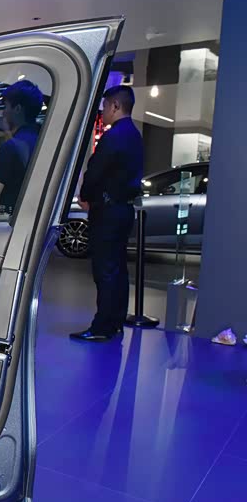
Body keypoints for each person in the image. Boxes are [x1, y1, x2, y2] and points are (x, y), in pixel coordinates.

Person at [71, 85, 143, 342]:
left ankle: (101, 327)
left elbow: (95, 172)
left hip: (107, 211)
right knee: (118, 268)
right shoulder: (134, 135)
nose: (102, 112)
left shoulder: (113, 137)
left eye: (104, 106)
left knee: (105, 270)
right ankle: (114, 321)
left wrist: (85, 196)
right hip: (123, 209)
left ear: (115, 105)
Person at [0, 80, 43, 215]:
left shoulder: (10, 148)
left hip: (12, 219)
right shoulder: (43, 141)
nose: (3, 113)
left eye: (6, 107)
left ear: (17, 109)